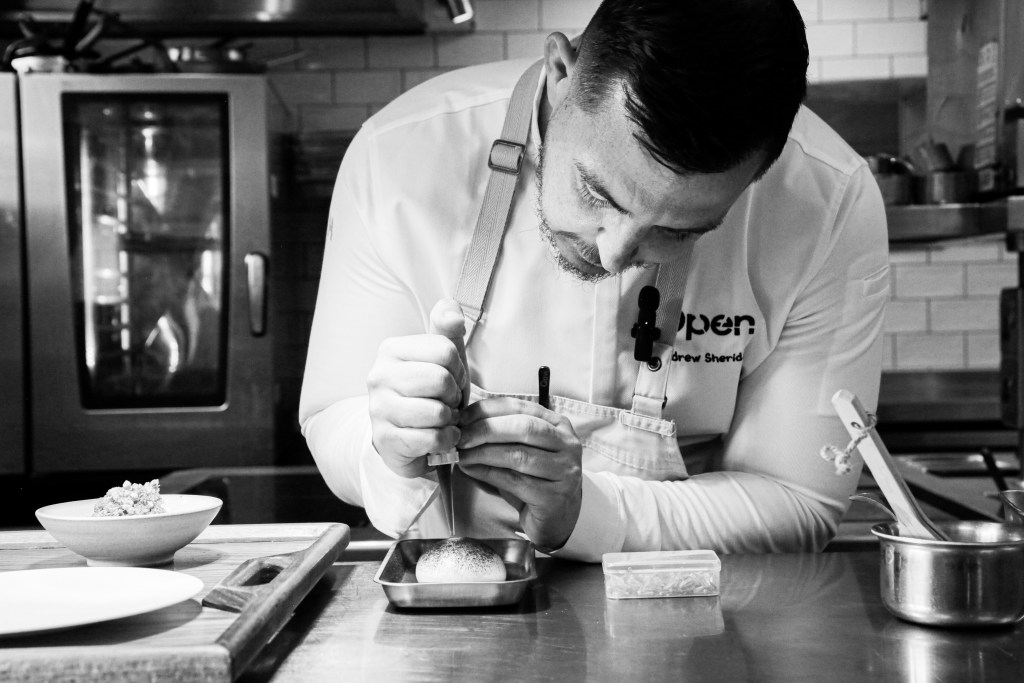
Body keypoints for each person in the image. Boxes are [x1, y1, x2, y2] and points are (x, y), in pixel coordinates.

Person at [299, 0, 889, 561]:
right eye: (596, 192)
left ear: (764, 170)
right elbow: (334, 417)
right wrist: (387, 448)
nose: (612, 256)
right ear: (562, 72)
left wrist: (585, 513)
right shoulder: (397, 155)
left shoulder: (827, 202)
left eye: (681, 231)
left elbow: (798, 501)